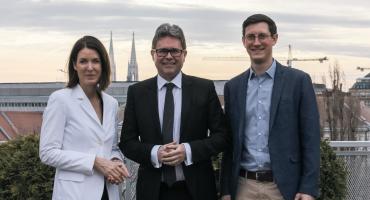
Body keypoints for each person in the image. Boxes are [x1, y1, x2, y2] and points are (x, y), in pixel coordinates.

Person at [119, 23, 229, 200]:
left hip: (197, 191)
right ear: (153, 54)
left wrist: (188, 151)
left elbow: (222, 136)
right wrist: (155, 153)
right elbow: (126, 142)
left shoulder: (204, 89)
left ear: (184, 54)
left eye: (175, 51)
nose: (168, 56)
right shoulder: (137, 92)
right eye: (162, 51)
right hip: (152, 192)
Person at [220, 14, 320, 200]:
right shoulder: (233, 87)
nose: (256, 42)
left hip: (283, 188)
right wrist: (226, 190)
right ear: (243, 41)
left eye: (262, 36)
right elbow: (230, 144)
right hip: (243, 187)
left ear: (274, 39)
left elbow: (311, 138)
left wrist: (308, 188)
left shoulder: (298, 81)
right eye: (250, 37)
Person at [39, 35, 130, 200]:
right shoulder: (60, 100)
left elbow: (112, 147)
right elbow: (47, 153)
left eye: (95, 61)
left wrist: (115, 161)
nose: (90, 67)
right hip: (74, 193)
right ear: (74, 65)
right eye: (83, 61)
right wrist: (94, 162)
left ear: (103, 65)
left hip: (108, 191)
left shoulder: (111, 103)